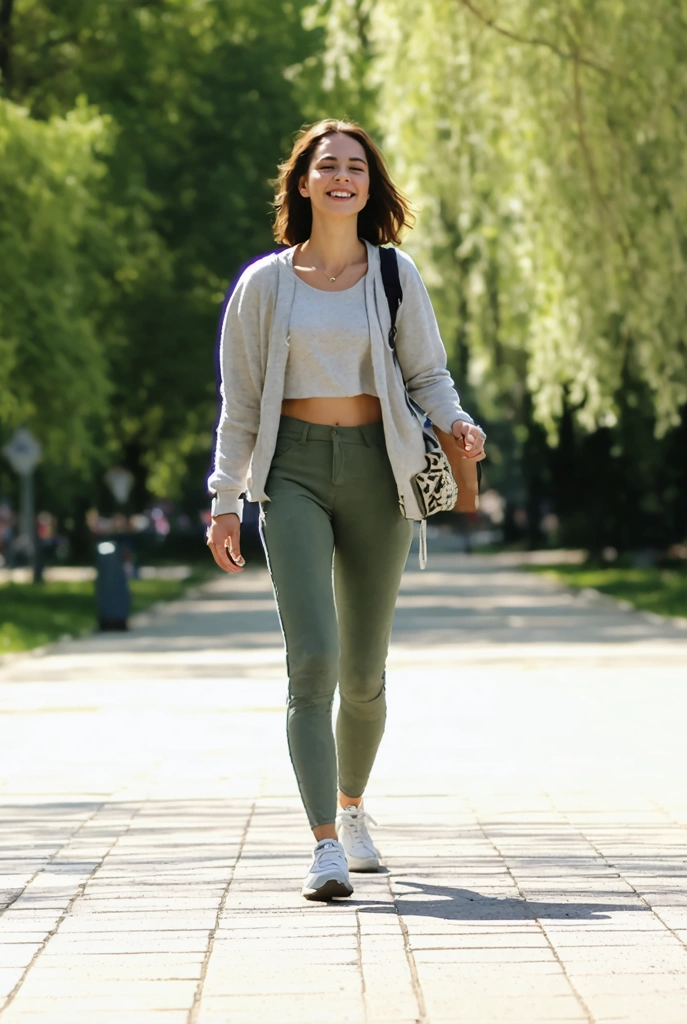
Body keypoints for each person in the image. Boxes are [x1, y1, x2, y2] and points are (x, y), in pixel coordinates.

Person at [206, 119, 486, 900]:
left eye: (355, 167)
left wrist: (455, 421)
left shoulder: (394, 275)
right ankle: (324, 844)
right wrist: (225, 500)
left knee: (364, 674)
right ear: (302, 183)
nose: (341, 177)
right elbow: (241, 404)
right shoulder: (264, 285)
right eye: (326, 166)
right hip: (290, 471)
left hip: (379, 470)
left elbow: (427, 375)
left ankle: (354, 805)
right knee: (315, 662)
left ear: (370, 184)